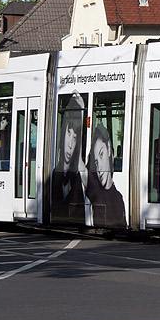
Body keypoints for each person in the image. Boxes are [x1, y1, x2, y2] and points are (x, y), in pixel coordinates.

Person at [51, 95, 86, 224]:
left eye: (75, 137)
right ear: (62, 133)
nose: (71, 144)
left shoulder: (79, 176)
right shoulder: (53, 175)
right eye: (69, 133)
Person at [85, 125, 127, 228]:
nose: (99, 167)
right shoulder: (93, 190)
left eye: (101, 154)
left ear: (109, 149)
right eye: (95, 162)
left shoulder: (118, 198)